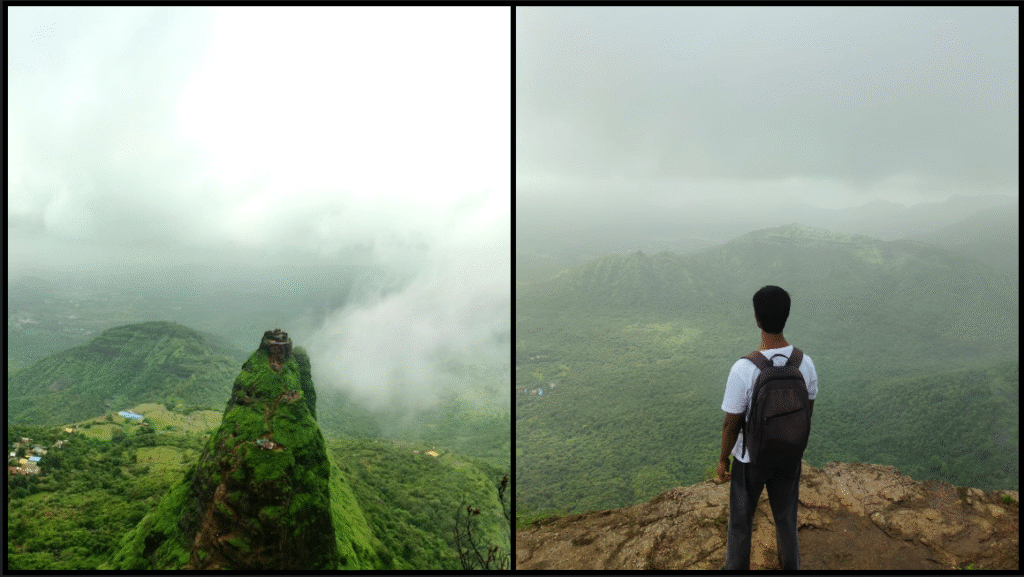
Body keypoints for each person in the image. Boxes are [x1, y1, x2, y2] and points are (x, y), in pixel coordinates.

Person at [717, 285, 818, 570]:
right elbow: (807, 413)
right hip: (789, 457)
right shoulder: (805, 364)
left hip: (750, 461)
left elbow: (730, 424)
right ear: (786, 316)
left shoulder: (744, 369)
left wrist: (723, 459)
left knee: (740, 522)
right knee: (786, 519)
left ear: (757, 319)